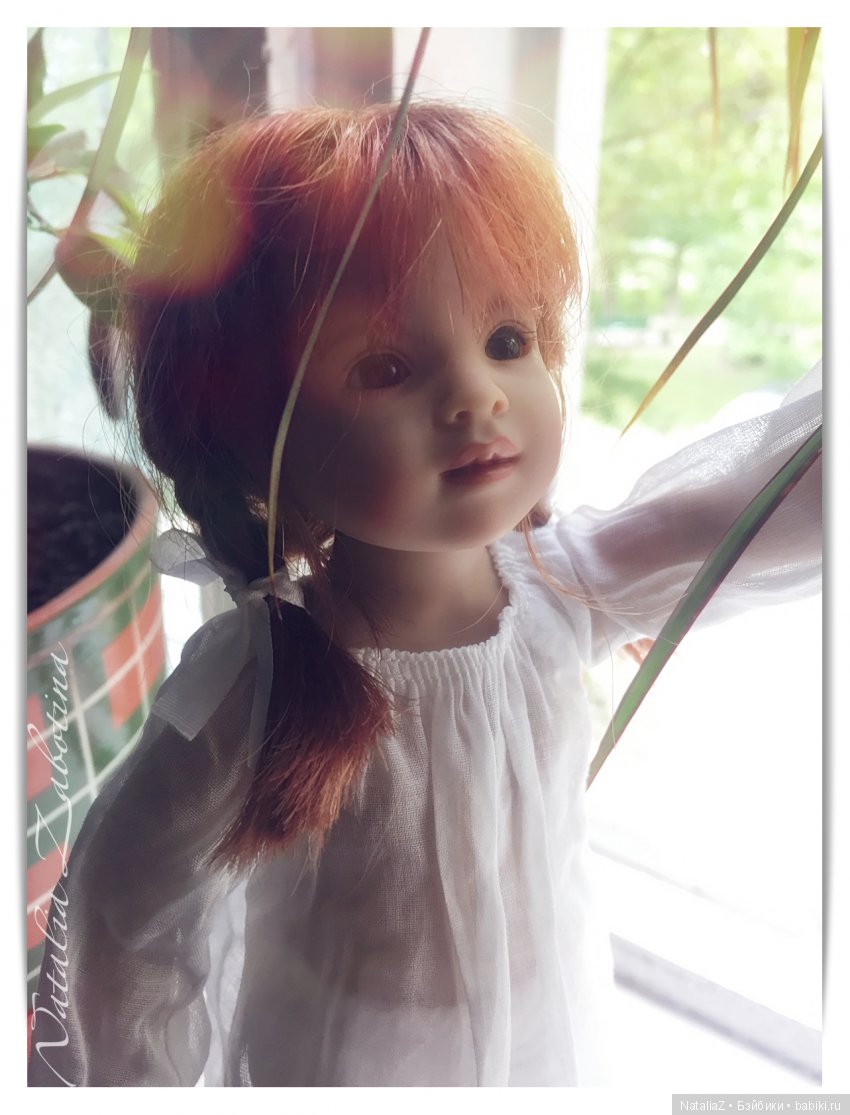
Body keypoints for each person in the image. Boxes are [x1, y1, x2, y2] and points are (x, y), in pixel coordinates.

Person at [28, 101, 821, 1087]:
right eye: (385, 367)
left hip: (544, 1032)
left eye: (508, 338)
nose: (477, 395)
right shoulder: (263, 680)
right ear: (258, 435)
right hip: (345, 1063)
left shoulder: (564, 585)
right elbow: (126, 903)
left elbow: (761, 503)